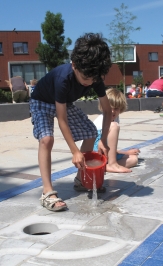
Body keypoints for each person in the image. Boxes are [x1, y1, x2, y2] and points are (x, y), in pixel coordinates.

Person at [30, 33, 112, 211]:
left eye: (92, 80)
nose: (88, 83)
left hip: (64, 103)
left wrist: (104, 140)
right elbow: (62, 119)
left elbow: (107, 109)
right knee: (46, 139)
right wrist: (75, 151)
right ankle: (47, 191)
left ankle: (81, 179)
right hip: (42, 101)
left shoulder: (94, 76)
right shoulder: (63, 78)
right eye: (85, 79)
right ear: (74, 64)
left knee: (91, 133)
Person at [74, 88, 139, 191]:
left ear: (121, 108)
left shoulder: (115, 118)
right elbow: (99, 144)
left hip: (103, 150)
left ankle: (103, 167)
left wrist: (126, 152)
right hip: (96, 151)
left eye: (116, 108)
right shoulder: (106, 120)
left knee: (133, 159)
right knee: (114, 126)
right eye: (110, 108)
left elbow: (109, 147)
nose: (113, 111)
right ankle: (111, 164)